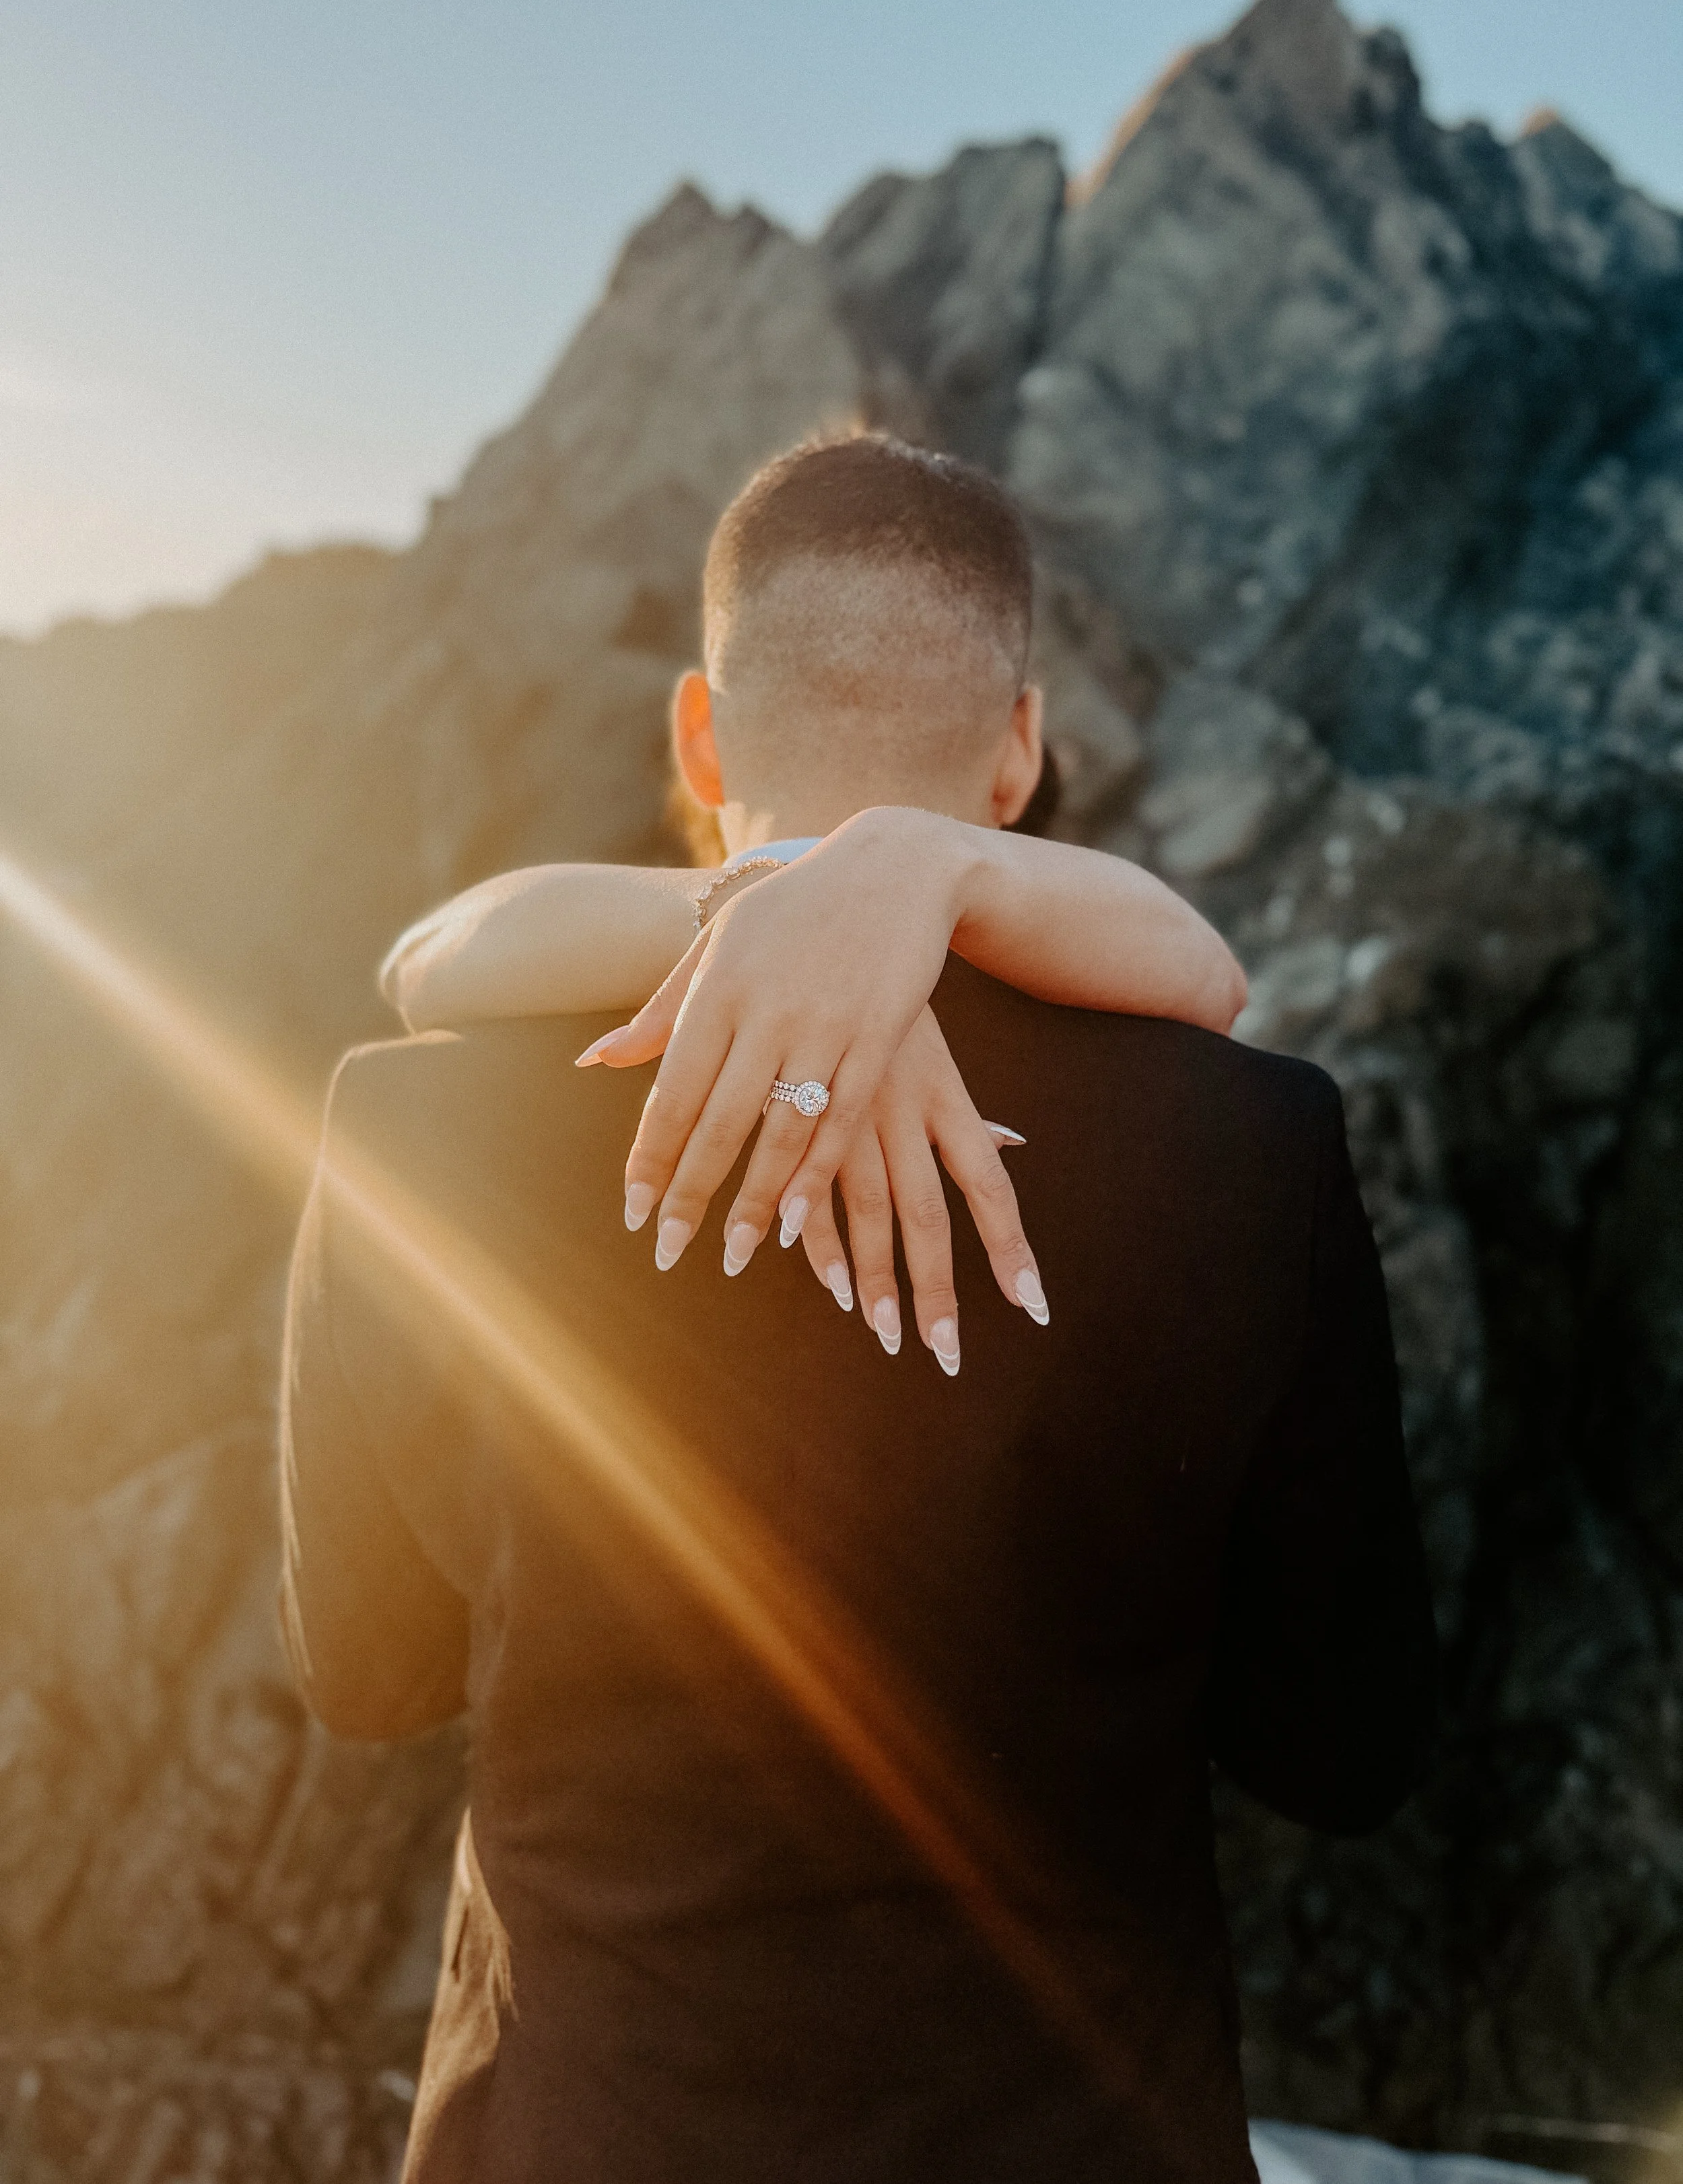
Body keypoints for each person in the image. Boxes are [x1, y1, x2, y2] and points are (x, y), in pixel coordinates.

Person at [281, 435, 1436, 2183]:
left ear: (699, 736)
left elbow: (367, 1674)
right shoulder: (1251, 1148)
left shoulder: (413, 1122)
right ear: (1020, 747)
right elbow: (1341, 1753)